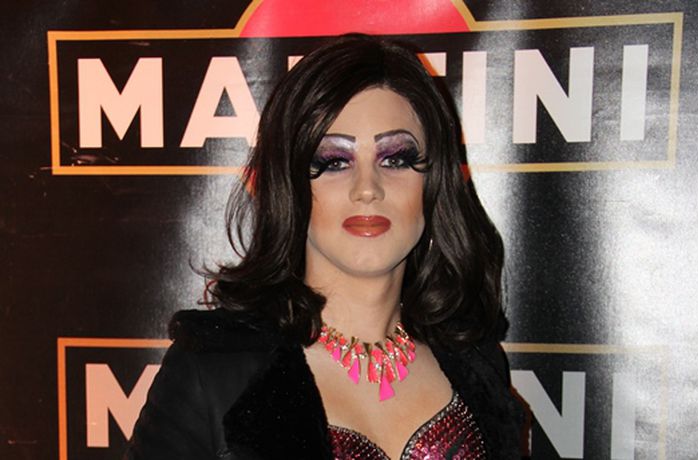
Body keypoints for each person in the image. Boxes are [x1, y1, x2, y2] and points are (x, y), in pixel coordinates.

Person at [125, 34, 523, 460]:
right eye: (334, 162)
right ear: (289, 184)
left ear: (434, 182)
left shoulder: (475, 359)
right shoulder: (212, 369)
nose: (367, 188)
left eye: (396, 159)